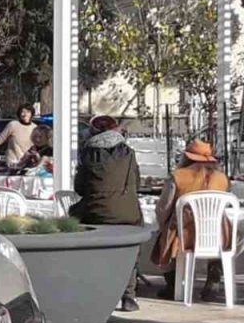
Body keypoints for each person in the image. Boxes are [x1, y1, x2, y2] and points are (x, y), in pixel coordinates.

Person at [71, 115, 142, 312]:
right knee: (132, 244)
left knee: (73, 224)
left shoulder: (87, 153)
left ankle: (89, 288)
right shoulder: (129, 153)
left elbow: (80, 188)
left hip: (95, 212)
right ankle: (129, 297)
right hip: (128, 214)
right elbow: (137, 183)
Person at [151, 140, 230, 302]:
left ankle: (173, 283)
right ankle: (214, 277)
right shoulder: (222, 178)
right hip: (216, 235)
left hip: (185, 235)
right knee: (231, 233)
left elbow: (163, 208)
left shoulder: (178, 176)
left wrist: (163, 224)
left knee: (163, 236)